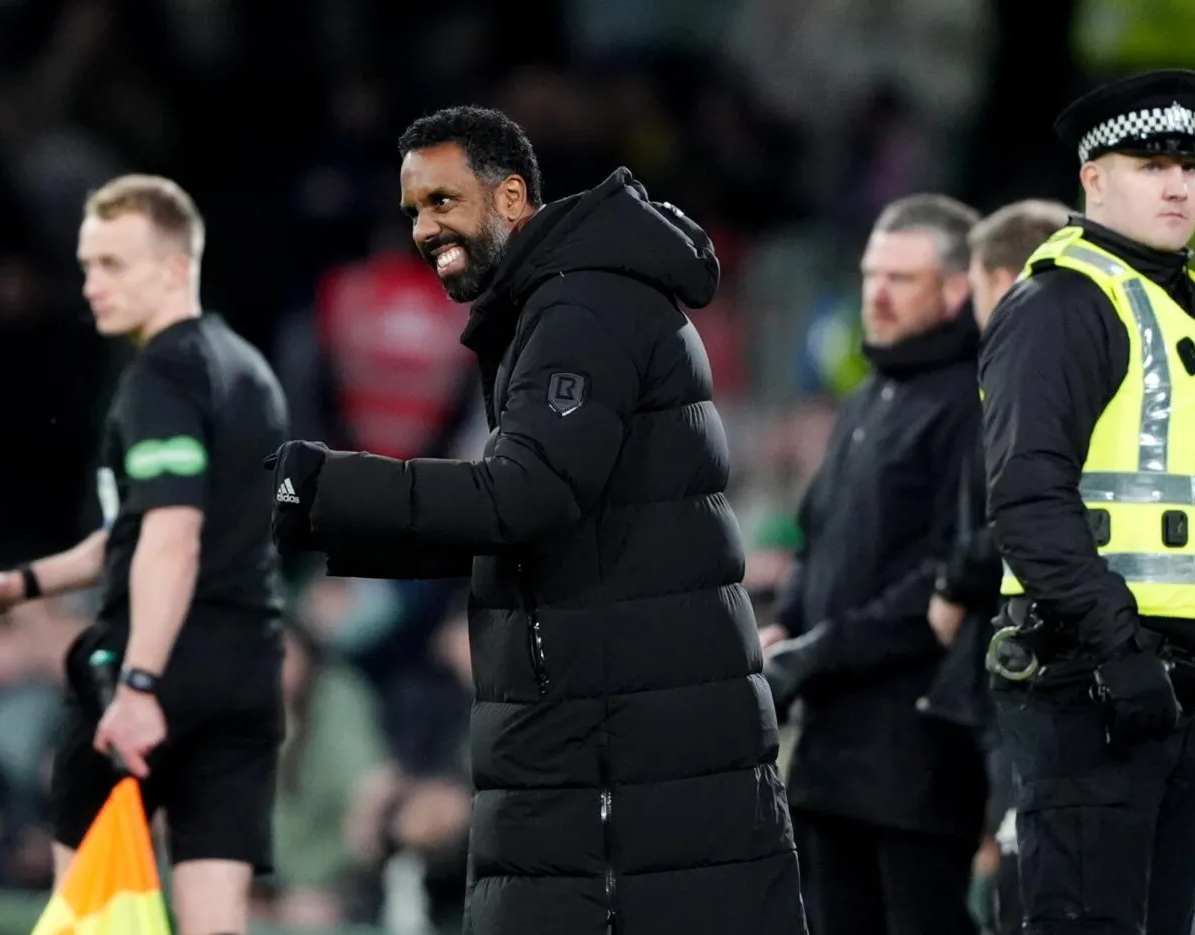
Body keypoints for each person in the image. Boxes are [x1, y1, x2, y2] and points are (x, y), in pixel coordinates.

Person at [266, 105, 807, 935]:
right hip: (614, 739)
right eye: (412, 209)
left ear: (511, 196)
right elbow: (534, 525)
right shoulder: (563, 303)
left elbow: (521, 497)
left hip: (620, 753)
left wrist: (316, 487)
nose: (424, 227)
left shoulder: (582, 311)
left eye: (443, 201)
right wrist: (318, 513)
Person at [0, 174, 289, 935]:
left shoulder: (159, 377)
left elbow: (171, 536)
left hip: (153, 674)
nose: (91, 283)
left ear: (172, 267)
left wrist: (138, 681)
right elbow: (141, 532)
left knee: (89, 916)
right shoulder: (251, 374)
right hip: (246, 676)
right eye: (87, 263)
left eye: (113, 264)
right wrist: (20, 586)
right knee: (216, 926)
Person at [979, 68, 1195, 935]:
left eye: (1190, 165)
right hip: (1090, 680)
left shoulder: (1194, 312)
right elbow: (1027, 499)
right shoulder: (1060, 304)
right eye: (1152, 163)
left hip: (1180, 683)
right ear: (1093, 177)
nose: (1179, 183)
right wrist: (1119, 646)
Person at [761, 193, 990, 935]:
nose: (877, 295)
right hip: (831, 755)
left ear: (957, 288)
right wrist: (788, 624)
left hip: (916, 757)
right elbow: (819, 537)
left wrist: (819, 651)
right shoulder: (867, 398)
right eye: (870, 276)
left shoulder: (971, 403)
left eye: (901, 278)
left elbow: (949, 574)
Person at [913, 198, 1069, 935]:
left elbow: (1024, 508)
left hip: (1027, 666)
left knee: (1021, 879)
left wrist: (954, 581)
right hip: (1022, 666)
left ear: (1002, 279)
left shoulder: (1034, 373)